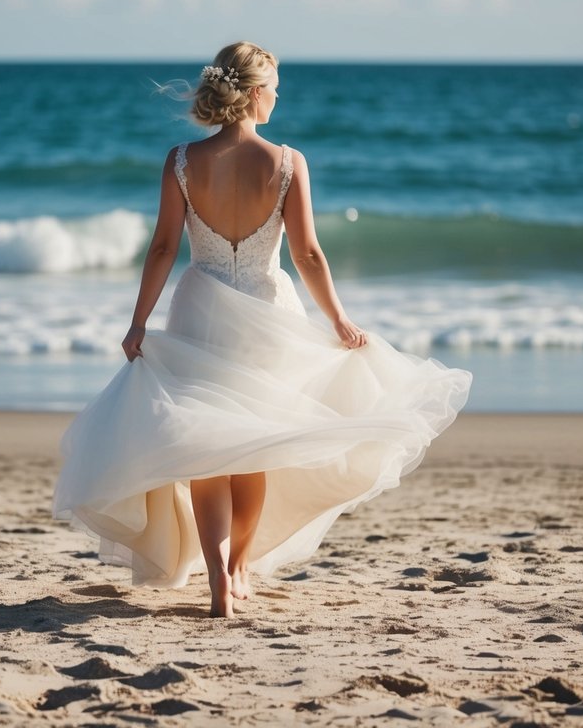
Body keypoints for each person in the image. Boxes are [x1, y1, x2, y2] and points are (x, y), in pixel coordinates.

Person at [51, 41, 471, 618]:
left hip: (199, 309)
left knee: (206, 452)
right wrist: (339, 319)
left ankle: (220, 578)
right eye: (274, 86)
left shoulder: (180, 161)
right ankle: (239, 567)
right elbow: (310, 256)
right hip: (269, 316)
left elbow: (163, 248)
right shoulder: (288, 162)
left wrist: (138, 322)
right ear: (253, 93)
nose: (278, 96)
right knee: (254, 449)